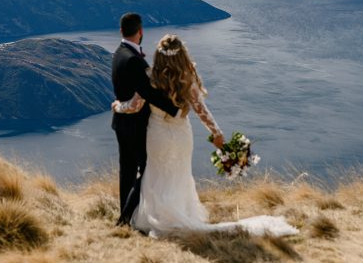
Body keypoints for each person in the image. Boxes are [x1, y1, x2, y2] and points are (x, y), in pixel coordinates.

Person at [113, 34, 297, 238]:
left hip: (157, 136)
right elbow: (202, 112)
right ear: (182, 55)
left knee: (155, 175)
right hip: (182, 135)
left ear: (159, 55)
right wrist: (217, 134)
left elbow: (134, 106)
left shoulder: (150, 77)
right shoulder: (187, 79)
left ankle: (156, 219)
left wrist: (118, 106)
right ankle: (181, 216)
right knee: (179, 175)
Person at [111, 13, 180, 226]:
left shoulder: (118, 54)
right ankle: (125, 218)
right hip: (135, 125)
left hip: (121, 122)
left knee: (128, 170)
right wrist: (175, 109)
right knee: (148, 169)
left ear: (122, 31)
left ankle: (127, 215)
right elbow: (148, 93)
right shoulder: (134, 60)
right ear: (140, 32)